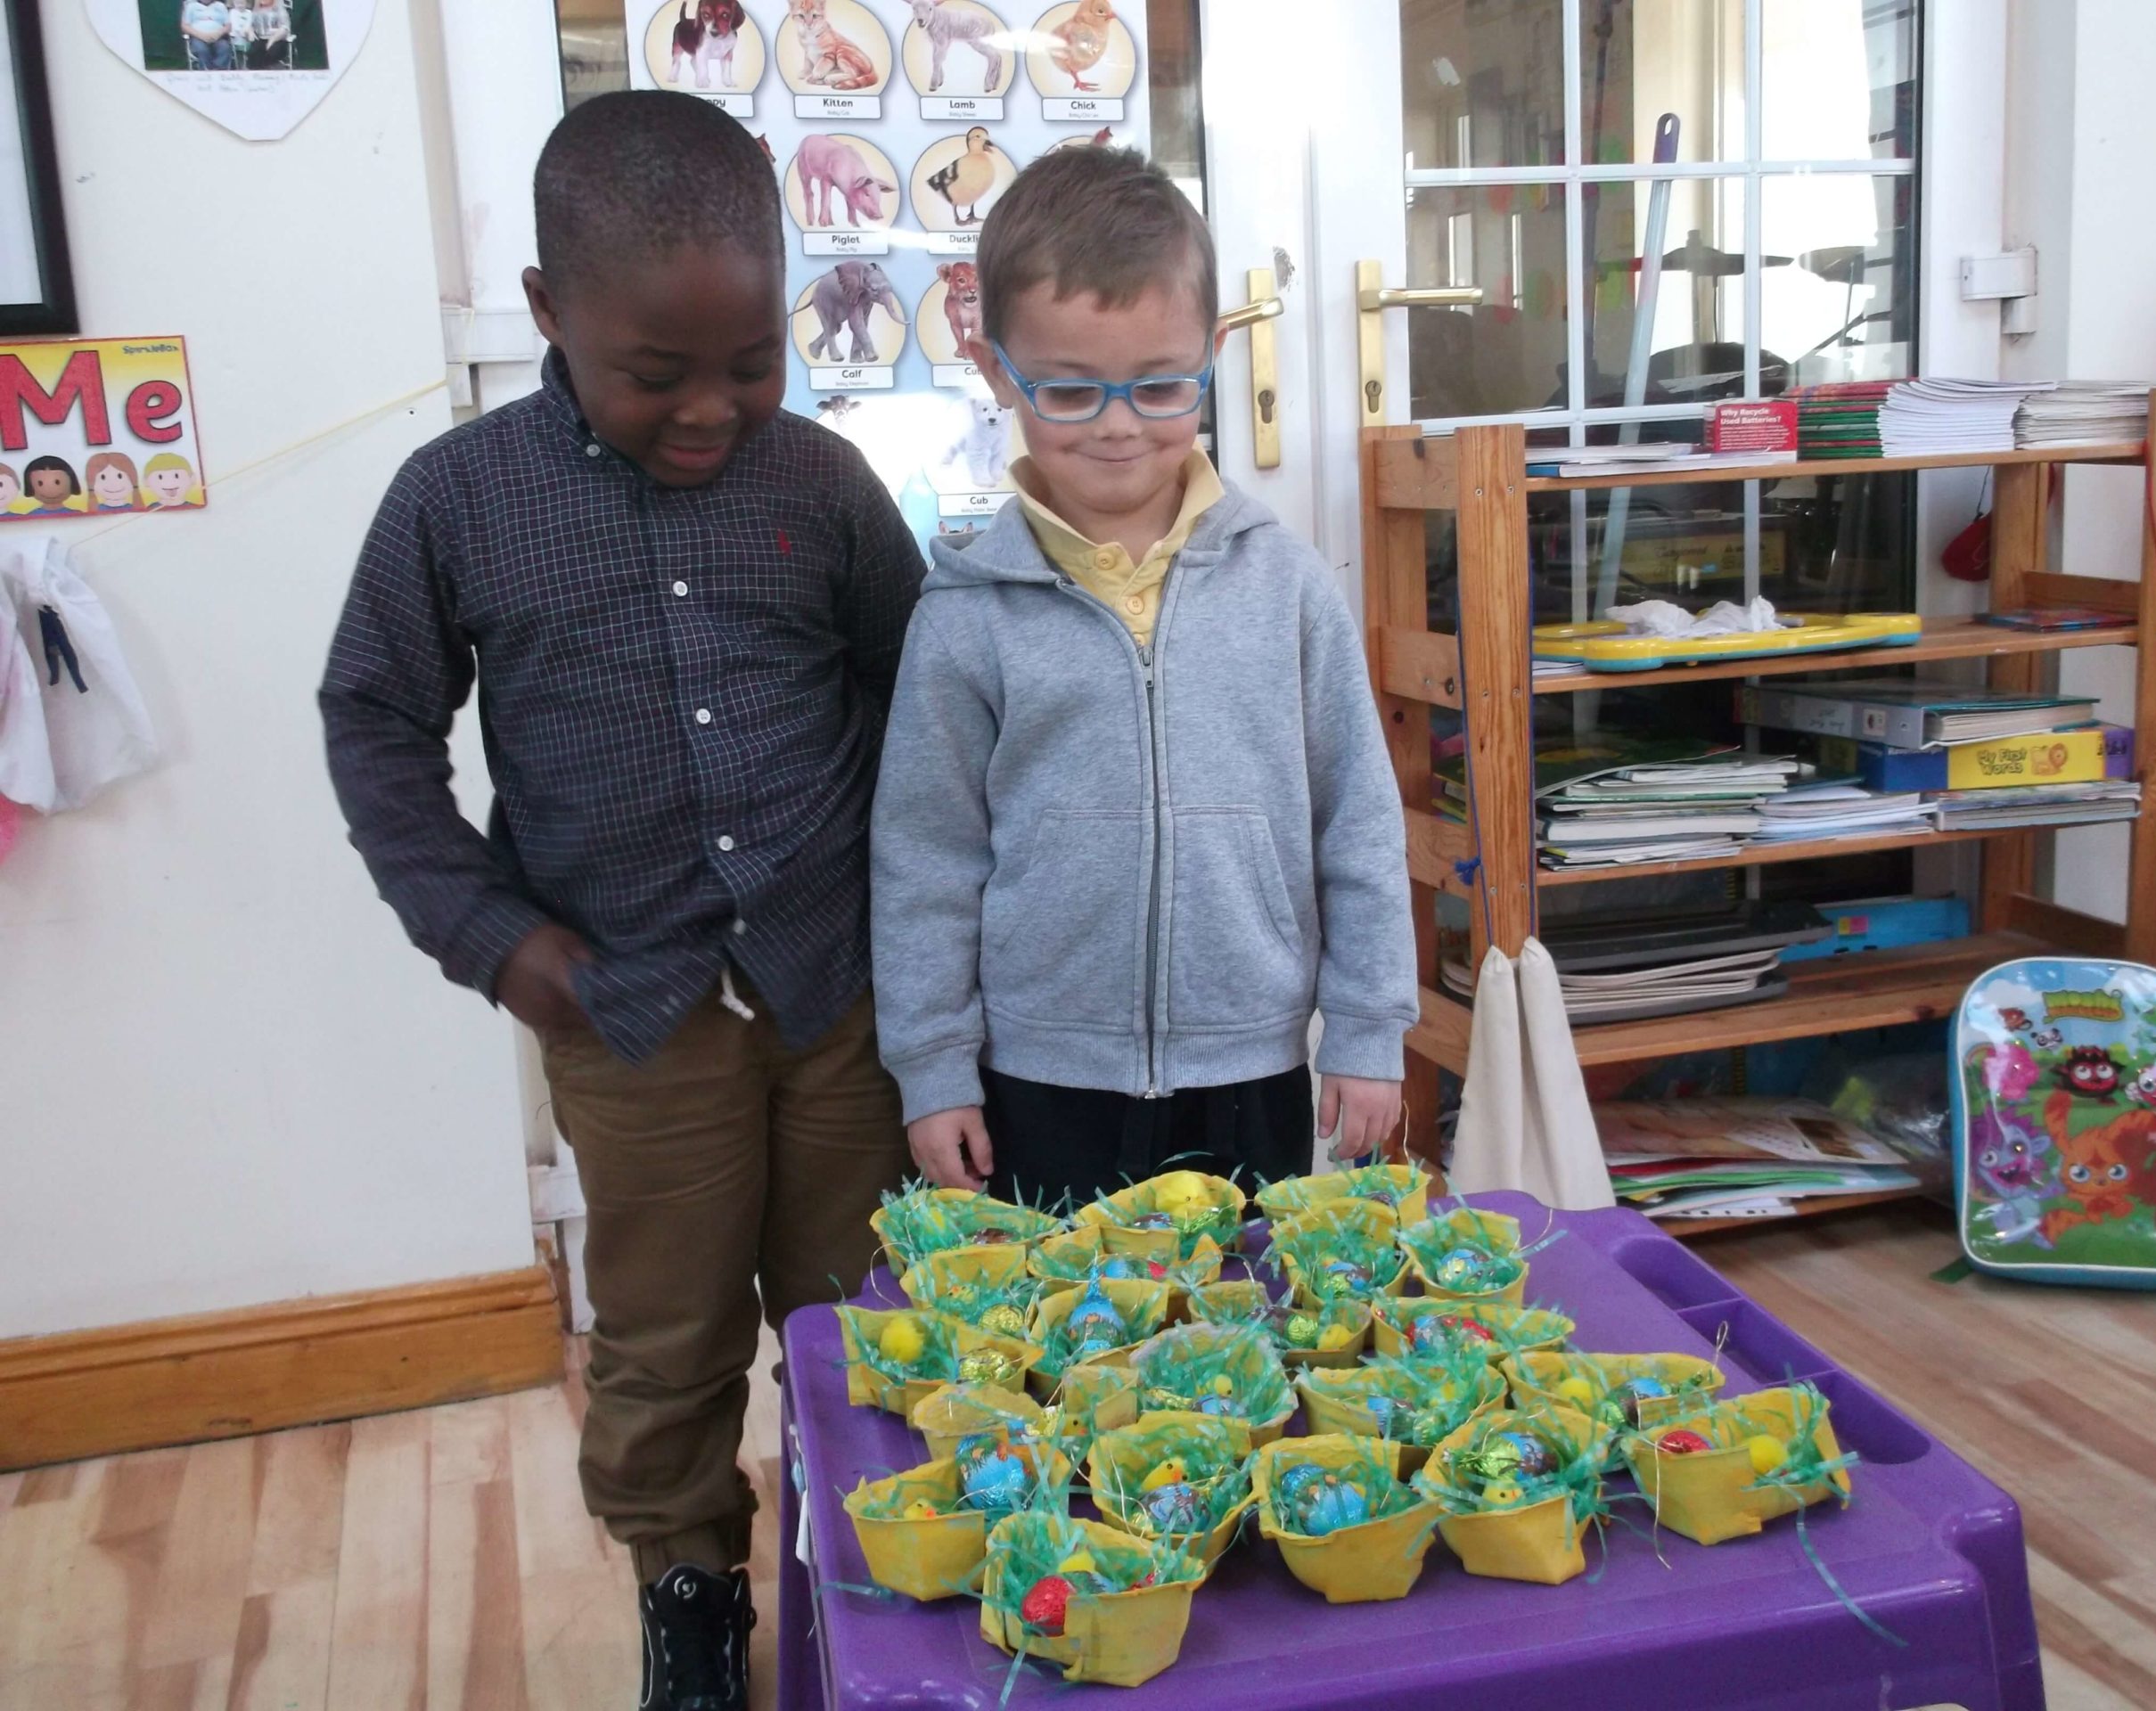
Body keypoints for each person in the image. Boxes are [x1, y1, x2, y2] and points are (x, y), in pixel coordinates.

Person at [318, 92, 923, 1711]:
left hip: (841, 995)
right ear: (546, 312)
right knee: (664, 1334)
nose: (712, 407)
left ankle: (877, 1572)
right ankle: (690, 1594)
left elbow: (917, 692)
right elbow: (373, 721)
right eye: (657, 373)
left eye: (753, 362)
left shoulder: (827, 486)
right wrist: (490, 936)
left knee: (868, 1310)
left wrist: (923, 910)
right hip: (628, 1014)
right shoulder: (456, 501)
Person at [870, 145, 1416, 1214]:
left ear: (1213, 355)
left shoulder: (1290, 588)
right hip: (1039, 1083)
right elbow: (925, 860)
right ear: (995, 372)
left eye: (1160, 385)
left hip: (1252, 1070)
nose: (1118, 425)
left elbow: (1357, 820)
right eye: (1069, 391)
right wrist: (933, 1068)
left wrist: (1366, 1025)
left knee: (1244, 1309)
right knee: (1062, 1319)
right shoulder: (965, 616)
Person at [178, 0, 233, 70]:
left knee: (224, 48)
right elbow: (185, 26)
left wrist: (218, 34)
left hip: (218, 37)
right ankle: (206, 71)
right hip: (198, 37)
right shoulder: (191, 6)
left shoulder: (221, 6)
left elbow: (228, 26)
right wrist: (202, 36)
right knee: (201, 49)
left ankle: (218, 71)